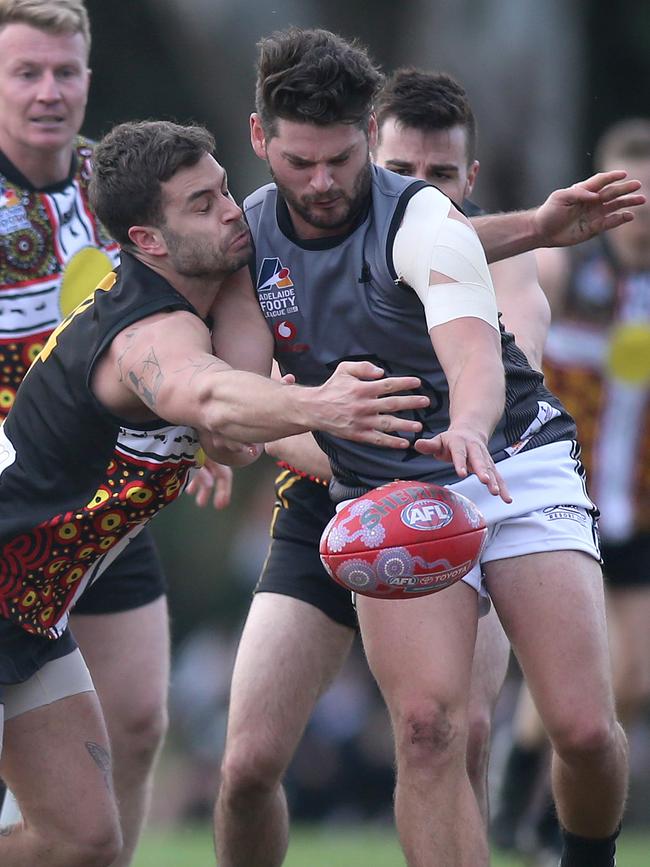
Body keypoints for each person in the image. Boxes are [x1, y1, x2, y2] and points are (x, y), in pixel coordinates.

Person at [216, 27, 642, 867]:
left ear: (365, 136)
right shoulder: (247, 236)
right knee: (427, 729)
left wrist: (471, 429)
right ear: (261, 138)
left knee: (585, 727)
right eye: (300, 162)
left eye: (340, 159)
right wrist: (241, 434)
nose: (324, 182)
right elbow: (239, 394)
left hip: (509, 458)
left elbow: (475, 356)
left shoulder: (423, 218)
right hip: (383, 486)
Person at [0, 117, 429, 867]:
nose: (233, 210)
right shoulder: (145, 334)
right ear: (148, 240)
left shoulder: (215, 293)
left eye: (226, 189)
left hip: (29, 611)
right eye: (202, 204)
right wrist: (325, 403)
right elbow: (213, 398)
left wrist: (415, 473)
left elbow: (242, 422)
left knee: (83, 840)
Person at [0, 3, 227, 862]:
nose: (49, 92)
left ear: (91, 78)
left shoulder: (122, 188)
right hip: (18, 503)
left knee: (136, 718)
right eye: (26, 72)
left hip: (106, 504)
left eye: (66, 72)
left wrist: (196, 426)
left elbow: (193, 308)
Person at [491, 116, 650, 865]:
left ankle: (527, 792)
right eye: (631, 195)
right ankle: (531, 811)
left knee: (633, 676)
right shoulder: (564, 271)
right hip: (565, 497)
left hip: (639, 506)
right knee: (588, 677)